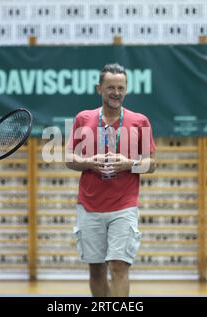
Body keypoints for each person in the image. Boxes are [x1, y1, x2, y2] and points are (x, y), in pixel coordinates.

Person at [66, 63, 156, 297]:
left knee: (118, 267)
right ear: (99, 89)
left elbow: (151, 164)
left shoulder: (139, 121)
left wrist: (129, 163)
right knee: (96, 270)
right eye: (111, 88)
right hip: (89, 206)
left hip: (124, 206)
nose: (116, 93)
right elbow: (68, 159)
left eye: (121, 88)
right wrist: (88, 162)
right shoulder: (82, 118)